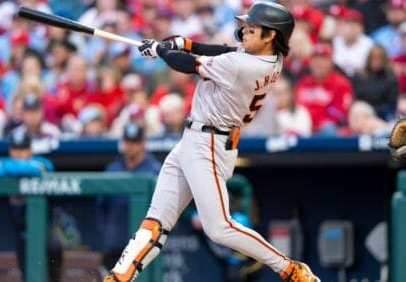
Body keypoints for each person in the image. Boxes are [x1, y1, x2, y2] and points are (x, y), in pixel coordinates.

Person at [103, 2, 320, 282]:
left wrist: (159, 50)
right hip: (195, 140)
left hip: (210, 145)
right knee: (156, 220)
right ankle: (119, 277)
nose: (244, 32)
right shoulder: (270, 57)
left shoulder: (243, 66)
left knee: (219, 228)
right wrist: (186, 43)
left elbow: (187, 64)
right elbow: (225, 51)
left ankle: (289, 268)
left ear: (270, 36)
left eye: (252, 29)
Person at [0, 130, 63, 281]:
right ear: (10, 150)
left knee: (54, 264)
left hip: (45, 231)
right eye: (15, 150)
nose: (19, 154)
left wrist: (5, 167)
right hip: (22, 234)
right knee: (28, 277)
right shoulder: (7, 162)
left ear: (30, 150)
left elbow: (34, 169)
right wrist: (11, 166)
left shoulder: (41, 162)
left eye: (23, 150)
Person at [100, 122, 162, 269]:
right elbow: (102, 208)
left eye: (135, 142)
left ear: (143, 144)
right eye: (127, 141)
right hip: (116, 244)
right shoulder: (113, 170)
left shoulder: (155, 170)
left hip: (146, 245)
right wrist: (108, 234)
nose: (130, 146)